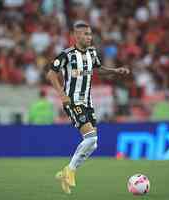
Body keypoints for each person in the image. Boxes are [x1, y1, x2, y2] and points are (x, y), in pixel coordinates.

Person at [47, 21, 130, 194]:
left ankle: (66, 172)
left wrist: (115, 71)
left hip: (87, 102)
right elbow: (51, 74)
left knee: (93, 144)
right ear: (76, 36)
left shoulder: (92, 52)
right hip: (73, 101)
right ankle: (70, 170)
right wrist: (62, 94)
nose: (89, 37)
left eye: (90, 34)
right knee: (91, 138)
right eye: (85, 34)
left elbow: (98, 69)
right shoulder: (66, 55)